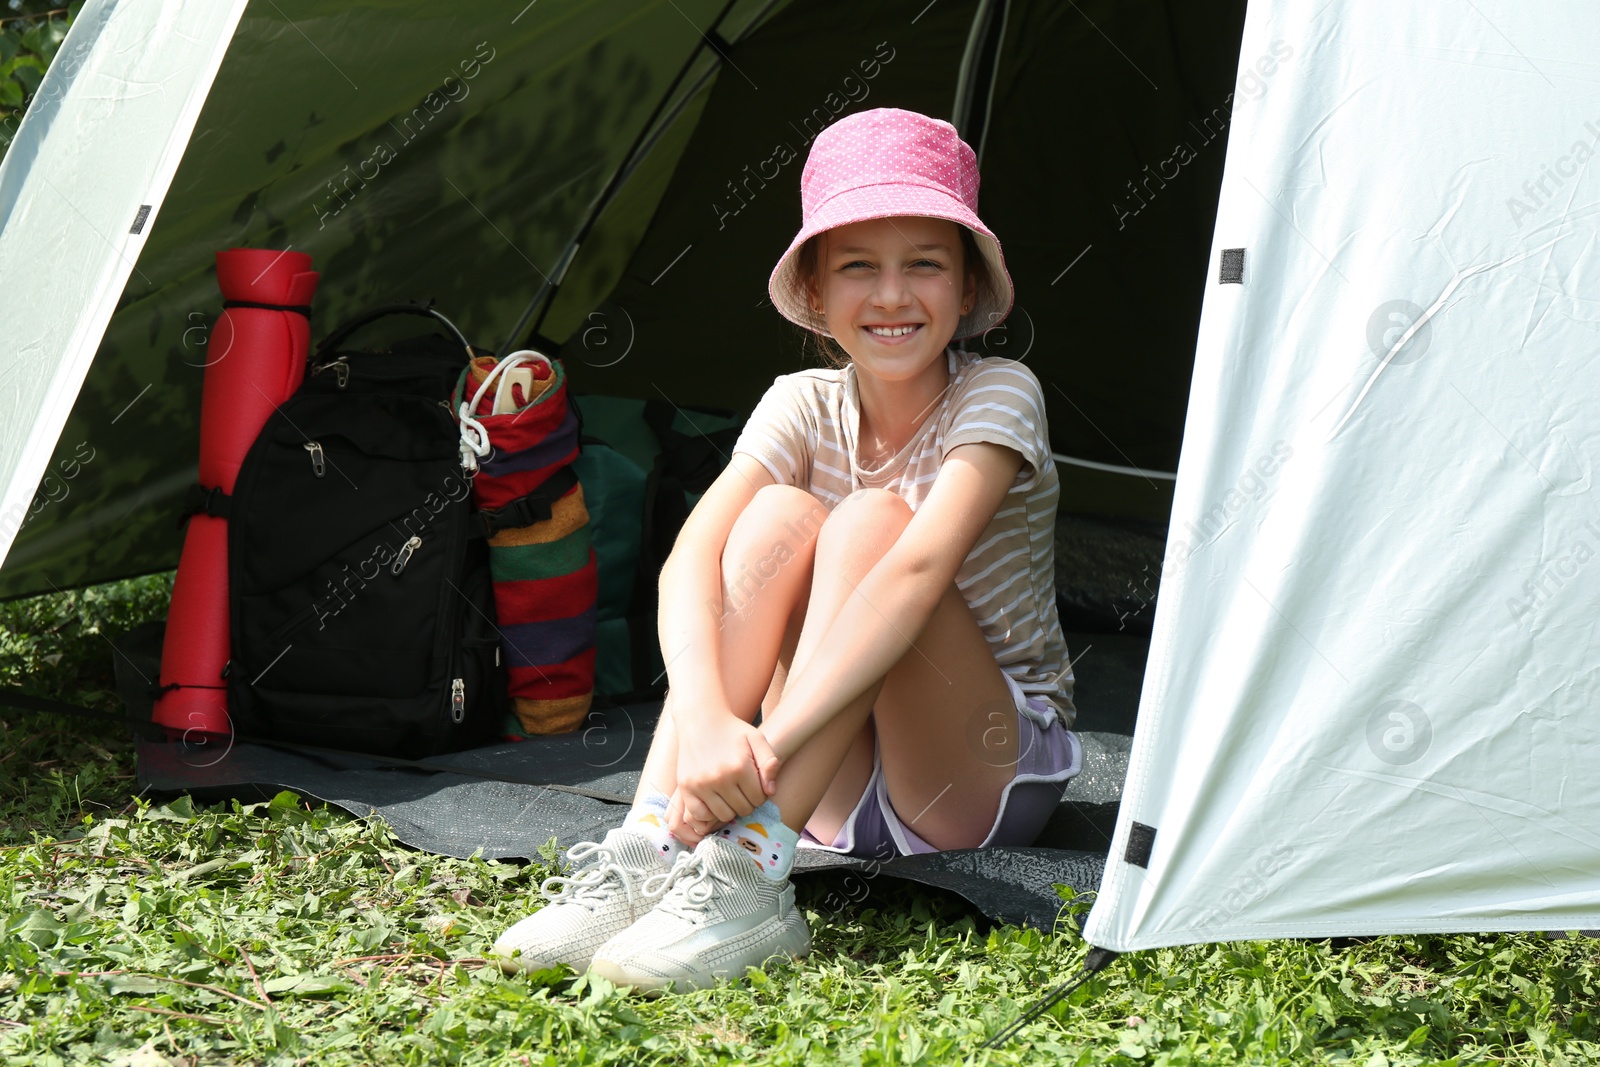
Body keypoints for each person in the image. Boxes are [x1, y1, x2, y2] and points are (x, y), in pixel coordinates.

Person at [489, 107, 1081, 994]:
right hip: (827, 790)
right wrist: (710, 726)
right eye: (857, 267)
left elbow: (917, 573)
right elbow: (691, 555)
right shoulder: (801, 400)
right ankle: (651, 847)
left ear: (967, 290)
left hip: (971, 774)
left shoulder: (1000, 392)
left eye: (924, 263)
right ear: (814, 292)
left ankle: (748, 876)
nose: (890, 295)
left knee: (872, 525)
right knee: (770, 519)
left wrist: (763, 749)